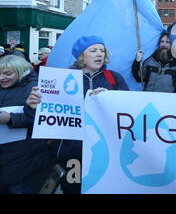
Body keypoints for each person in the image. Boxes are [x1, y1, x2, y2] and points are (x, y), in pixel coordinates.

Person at [27, 35, 129, 194]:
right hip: (71, 152)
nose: (99, 54)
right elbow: (42, 117)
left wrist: (110, 98)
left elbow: (127, 110)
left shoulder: (114, 78)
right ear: (81, 55)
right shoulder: (59, 79)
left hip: (105, 151)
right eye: (93, 50)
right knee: (73, 190)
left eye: (102, 50)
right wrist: (32, 107)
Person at [0, 55, 53, 194]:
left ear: (22, 71)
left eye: (7, 74)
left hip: (25, 158)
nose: (1, 78)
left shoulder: (36, 89)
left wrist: (10, 119)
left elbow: (44, 119)